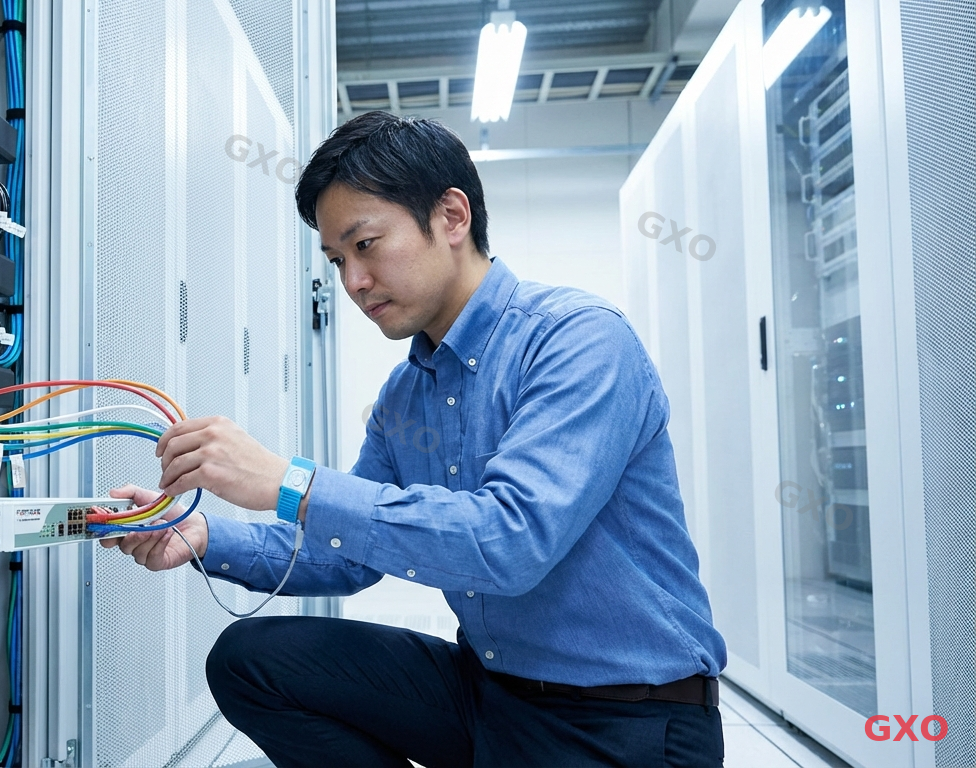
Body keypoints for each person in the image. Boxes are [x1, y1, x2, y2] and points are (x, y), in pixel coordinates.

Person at [103, 110, 727, 767]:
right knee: (251, 661)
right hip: (488, 697)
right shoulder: (406, 398)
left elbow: (509, 544)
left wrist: (289, 483)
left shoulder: (578, 341)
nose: (352, 282)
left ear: (452, 217)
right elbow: (347, 556)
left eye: (365, 244)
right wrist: (201, 536)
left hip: (626, 723)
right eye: (337, 259)